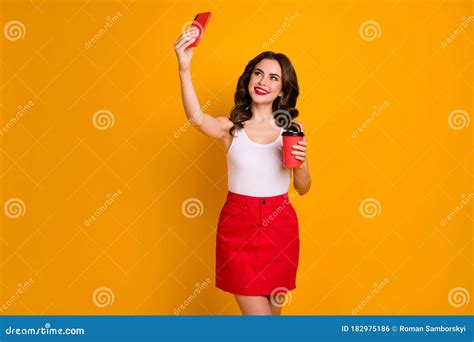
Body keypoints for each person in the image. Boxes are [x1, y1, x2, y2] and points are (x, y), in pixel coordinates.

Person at [174, 27, 312, 315]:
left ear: (283, 90)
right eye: (258, 73)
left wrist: (301, 161)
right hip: (238, 228)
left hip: (280, 226)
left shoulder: (292, 129)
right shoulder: (231, 128)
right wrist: (184, 68)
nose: (263, 81)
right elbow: (197, 119)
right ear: (249, 79)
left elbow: (303, 187)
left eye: (274, 77)